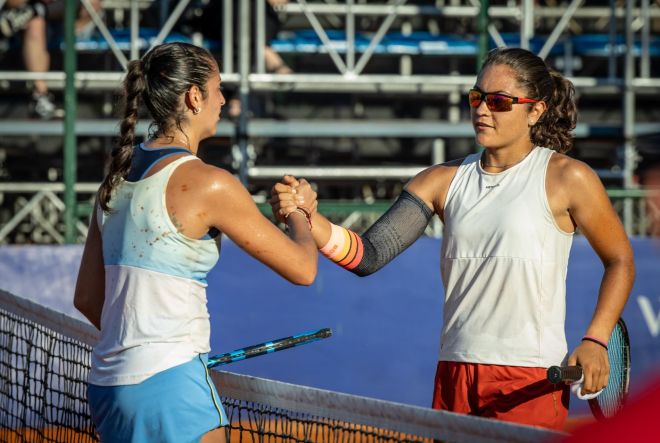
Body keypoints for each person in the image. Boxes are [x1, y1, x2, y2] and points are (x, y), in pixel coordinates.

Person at [270, 47, 635, 430]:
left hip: (532, 377)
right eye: (476, 98)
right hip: (455, 372)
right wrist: (309, 218)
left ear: (536, 111)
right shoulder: (439, 180)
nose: (482, 110)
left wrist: (595, 339)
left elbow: (620, 261)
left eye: (498, 102)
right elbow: (368, 255)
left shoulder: (568, 177)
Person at [73, 42, 318, 442]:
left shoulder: (115, 176)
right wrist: (299, 213)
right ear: (193, 97)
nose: (223, 99)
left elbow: (86, 298)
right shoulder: (212, 184)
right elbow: (304, 268)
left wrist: (143, 343)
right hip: (170, 386)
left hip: (109, 387)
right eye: (218, 88)